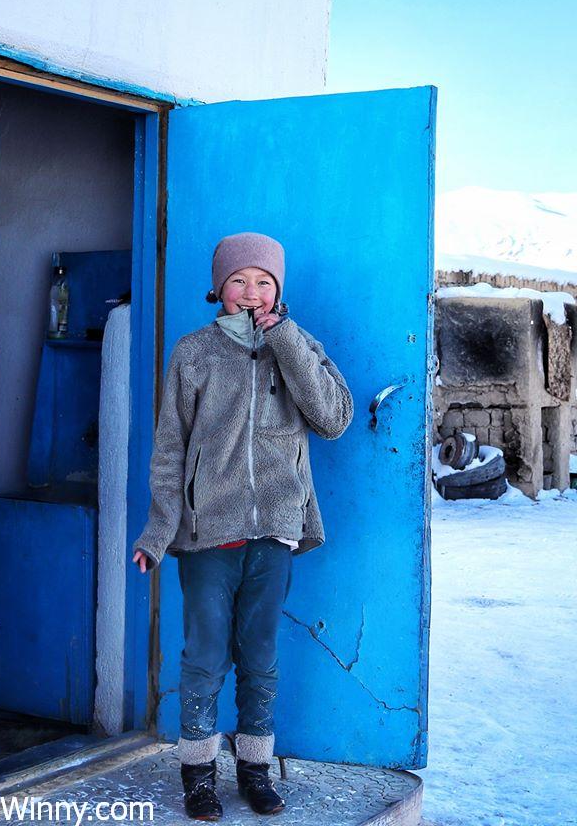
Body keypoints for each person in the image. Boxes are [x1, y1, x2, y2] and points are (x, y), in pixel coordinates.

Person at [132, 231, 354, 820]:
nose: (250, 292)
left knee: (260, 654)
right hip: (209, 535)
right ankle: (198, 774)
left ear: (278, 290)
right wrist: (158, 533)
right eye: (238, 280)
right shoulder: (194, 354)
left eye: (263, 281)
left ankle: (255, 770)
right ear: (218, 288)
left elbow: (333, 418)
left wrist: (284, 338)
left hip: (275, 530)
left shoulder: (298, 344)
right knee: (205, 654)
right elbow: (169, 451)